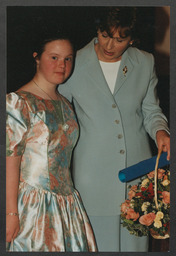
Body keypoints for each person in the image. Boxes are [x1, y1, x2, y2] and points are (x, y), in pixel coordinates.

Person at [58, 7, 170, 252]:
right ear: (97, 29)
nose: (109, 45)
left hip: (137, 176)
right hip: (92, 177)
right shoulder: (74, 62)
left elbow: (151, 111)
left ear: (132, 39)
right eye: (105, 35)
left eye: (120, 40)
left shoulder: (144, 61)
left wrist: (161, 131)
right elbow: (61, 119)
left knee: (136, 247)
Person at [6, 32, 97, 252]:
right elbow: (10, 162)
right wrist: (10, 213)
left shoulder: (66, 104)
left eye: (68, 58)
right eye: (54, 57)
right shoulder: (18, 102)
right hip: (32, 206)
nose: (62, 65)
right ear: (37, 57)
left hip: (67, 205)